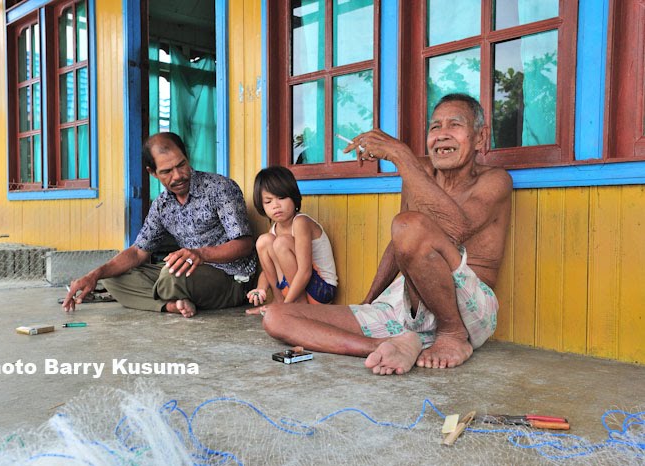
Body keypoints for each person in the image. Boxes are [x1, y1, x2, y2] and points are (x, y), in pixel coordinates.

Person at [251, 94, 513, 374]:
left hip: (467, 309)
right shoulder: (421, 171)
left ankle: (451, 335)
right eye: (435, 127)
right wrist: (368, 302)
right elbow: (400, 245)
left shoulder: (495, 180)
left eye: (454, 125)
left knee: (408, 224)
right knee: (277, 317)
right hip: (407, 303)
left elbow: (456, 228)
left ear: (481, 137)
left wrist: (400, 155)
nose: (441, 135)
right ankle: (386, 343)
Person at [62, 132, 257, 317]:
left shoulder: (219, 188)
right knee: (112, 278)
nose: (178, 175)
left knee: (171, 277)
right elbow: (139, 252)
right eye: (166, 171)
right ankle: (171, 305)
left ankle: (165, 298)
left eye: (181, 165)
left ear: (187, 158)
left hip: (231, 278)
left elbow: (245, 244)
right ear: (152, 172)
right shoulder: (162, 205)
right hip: (187, 274)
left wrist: (200, 254)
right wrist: (94, 275)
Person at [245, 166, 338, 308]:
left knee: (281, 243)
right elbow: (268, 269)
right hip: (293, 290)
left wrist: (284, 308)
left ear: (293, 197)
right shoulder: (274, 229)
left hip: (320, 291)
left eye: (281, 198)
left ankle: (295, 307)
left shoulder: (301, 222)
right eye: (268, 201)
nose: (275, 205)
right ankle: (279, 302)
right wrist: (261, 288)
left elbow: (305, 272)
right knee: (264, 241)